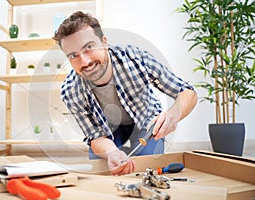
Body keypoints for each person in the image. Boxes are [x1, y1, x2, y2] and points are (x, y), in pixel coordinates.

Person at [53, 11, 197, 176]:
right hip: (107, 132)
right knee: (105, 172)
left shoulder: (136, 59)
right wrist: (111, 152)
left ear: (104, 42)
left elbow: (187, 92)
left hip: (145, 124)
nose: (85, 62)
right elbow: (95, 136)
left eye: (89, 47)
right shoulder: (71, 90)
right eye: (73, 55)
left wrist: (174, 114)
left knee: (143, 170)